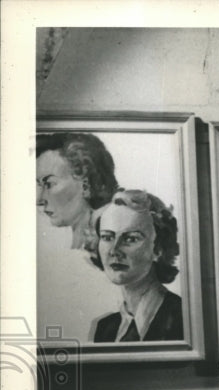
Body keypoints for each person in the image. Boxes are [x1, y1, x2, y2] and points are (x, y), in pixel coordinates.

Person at [92, 189, 184, 342]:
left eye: (130, 239)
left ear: (158, 249)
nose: (114, 250)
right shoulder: (105, 329)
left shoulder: (184, 318)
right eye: (107, 237)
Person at [36, 132, 118, 258]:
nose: (39, 199)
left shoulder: (109, 252)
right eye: (39, 185)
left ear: (86, 184)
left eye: (49, 184)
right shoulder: (77, 249)